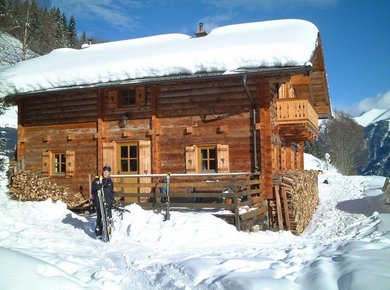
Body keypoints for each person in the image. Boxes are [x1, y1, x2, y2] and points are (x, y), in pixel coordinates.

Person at [91, 165, 115, 238]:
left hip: (108, 203)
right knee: (100, 218)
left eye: (107, 172)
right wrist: (100, 185)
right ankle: (99, 234)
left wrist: (112, 200)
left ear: (109, 173)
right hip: (99, 202)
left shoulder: (110, 181)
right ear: (103, 172)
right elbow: (93, 190)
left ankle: (108, 232)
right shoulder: (97, 180)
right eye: (105, 172)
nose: (105, 173)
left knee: (108, 218)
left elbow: (111, 192)